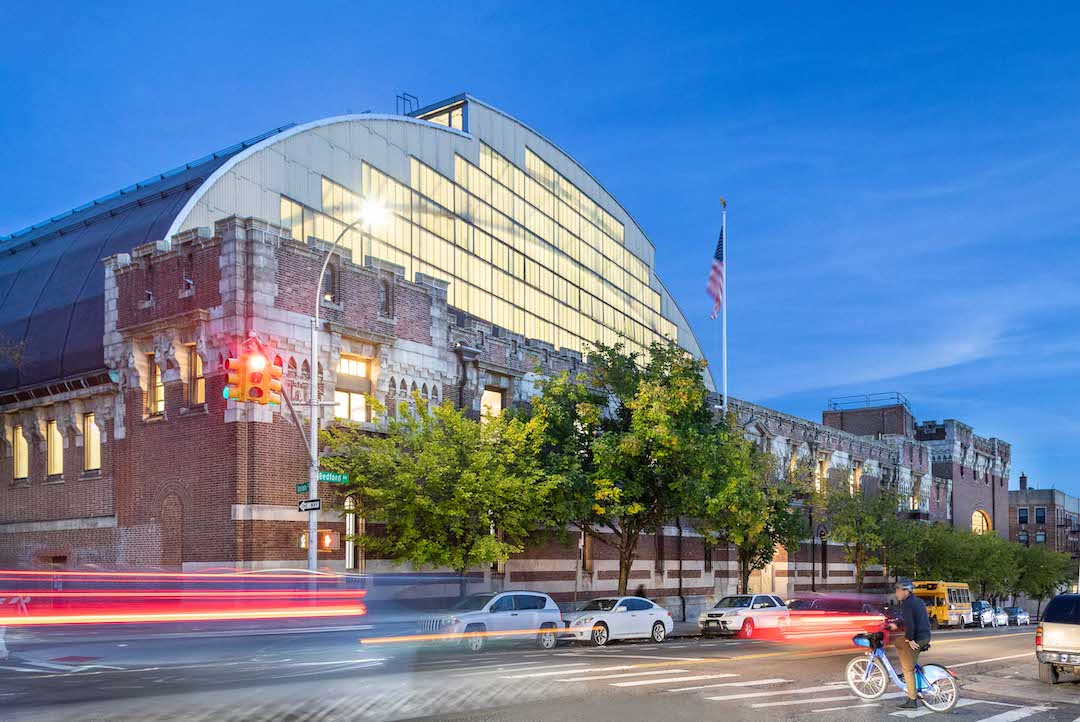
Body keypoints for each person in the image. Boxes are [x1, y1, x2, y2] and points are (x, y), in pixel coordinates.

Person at [888, 578, 931, 709]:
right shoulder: (917, 601)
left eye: (898, 590)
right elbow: (910, 618)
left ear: (906, 591)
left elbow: (910, 624)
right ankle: (908, 663)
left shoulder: (906, 604)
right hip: (925, 636)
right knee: (898, 641)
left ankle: (912, 700)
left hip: (917, 638)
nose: (896, 593)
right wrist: (896, 624)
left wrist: (910, 639)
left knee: (908, 669)